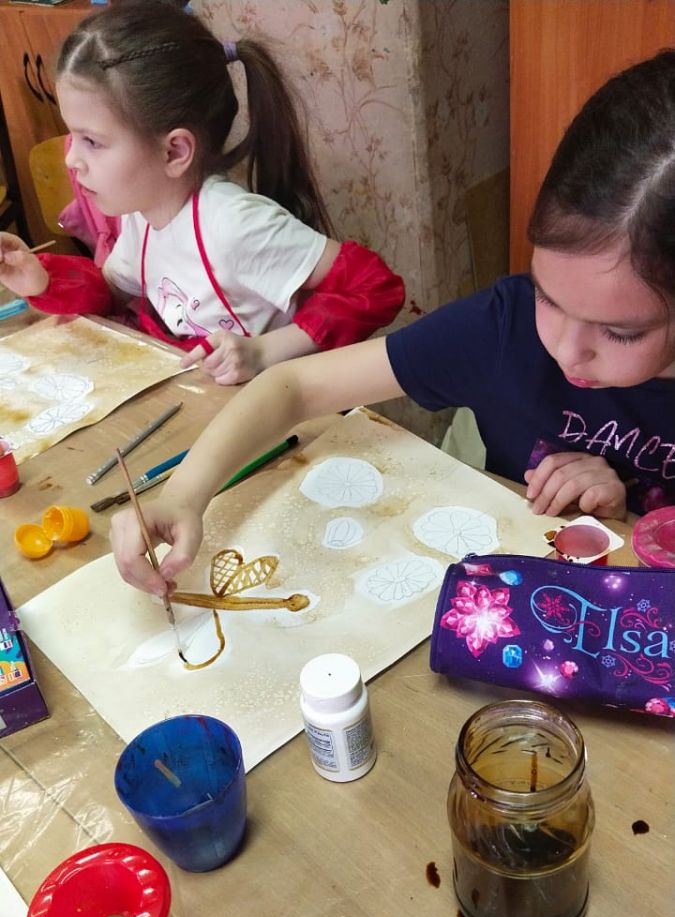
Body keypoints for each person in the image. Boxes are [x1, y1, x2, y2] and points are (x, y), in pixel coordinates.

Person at [111, 47, 675, 595]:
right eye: (547, 297)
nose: (566, 349)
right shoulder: (503, 326)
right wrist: (183, 494)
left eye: (620, 332)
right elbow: (292, 387)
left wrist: (629, 526)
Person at [0, 0, 404, 384]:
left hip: (277, 411)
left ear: (174, 151)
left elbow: (375, 286)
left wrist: (264, 351)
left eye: (92, 141)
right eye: (73, 135)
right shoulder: (142, 214)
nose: (72, 159)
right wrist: (42, 281)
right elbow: (111, 292)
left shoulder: (233, 225)